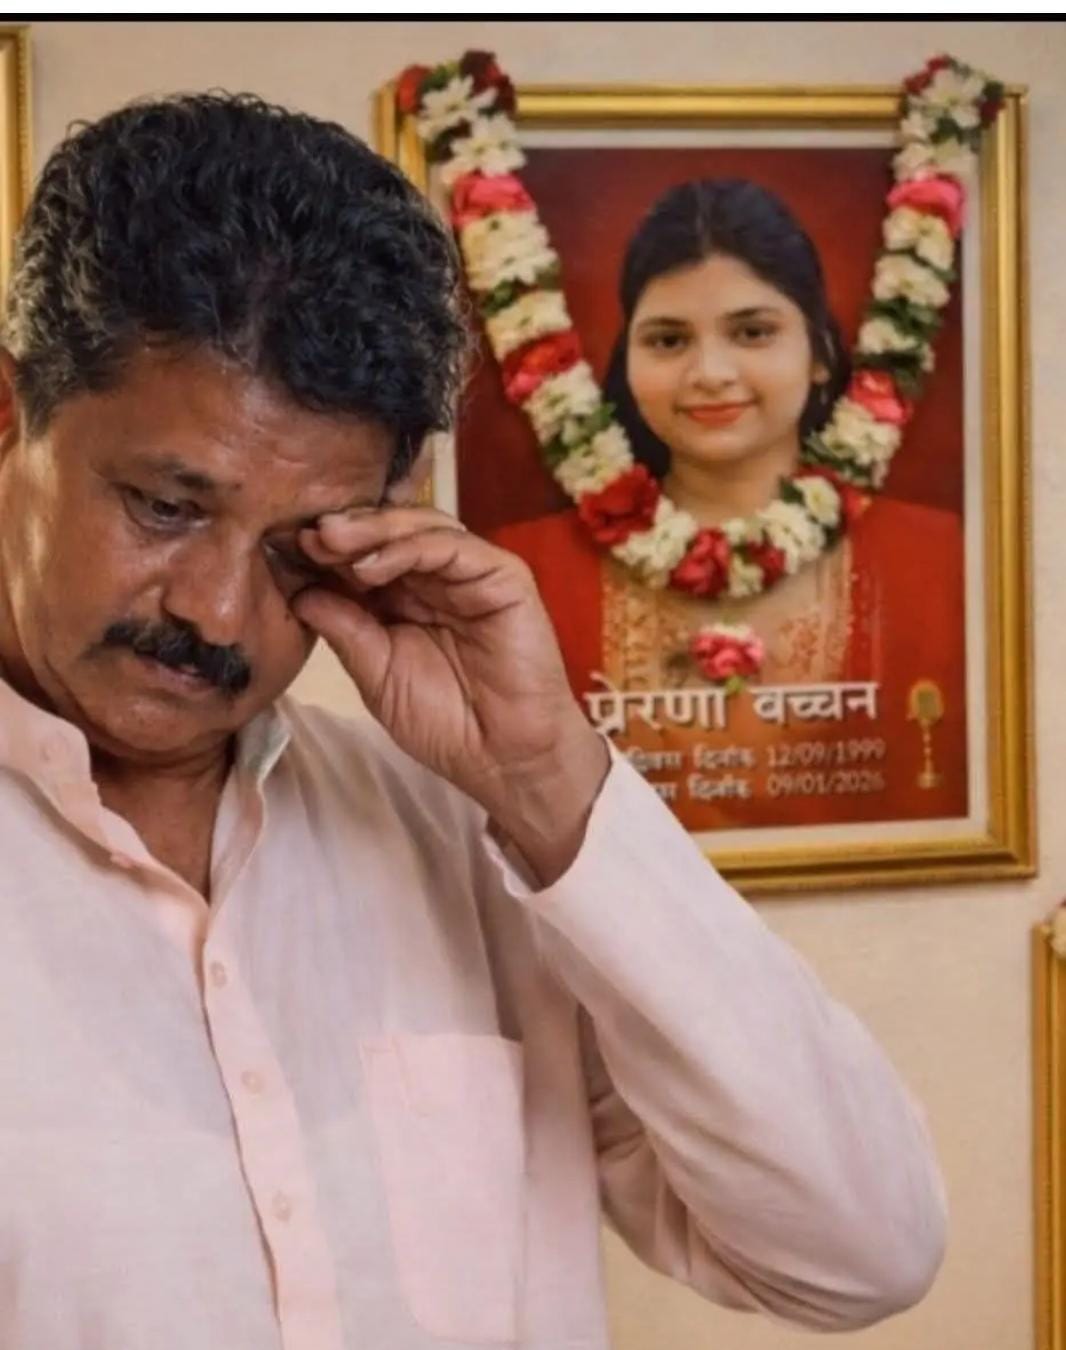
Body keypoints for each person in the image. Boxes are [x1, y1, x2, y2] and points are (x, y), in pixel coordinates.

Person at [0, 96, 946, 1349]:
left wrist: (551, 783)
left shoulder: (456, 835)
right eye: (167, 509)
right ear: (10, 418)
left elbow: (862, 1254)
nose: (217, 613)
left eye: (296, 543)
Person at [492, 178, 968, 830]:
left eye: (752, 332)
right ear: (627, 362)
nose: (710, 373)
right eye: (668, 340)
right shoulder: (522, 573)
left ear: (821, 354)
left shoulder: (942, 562)